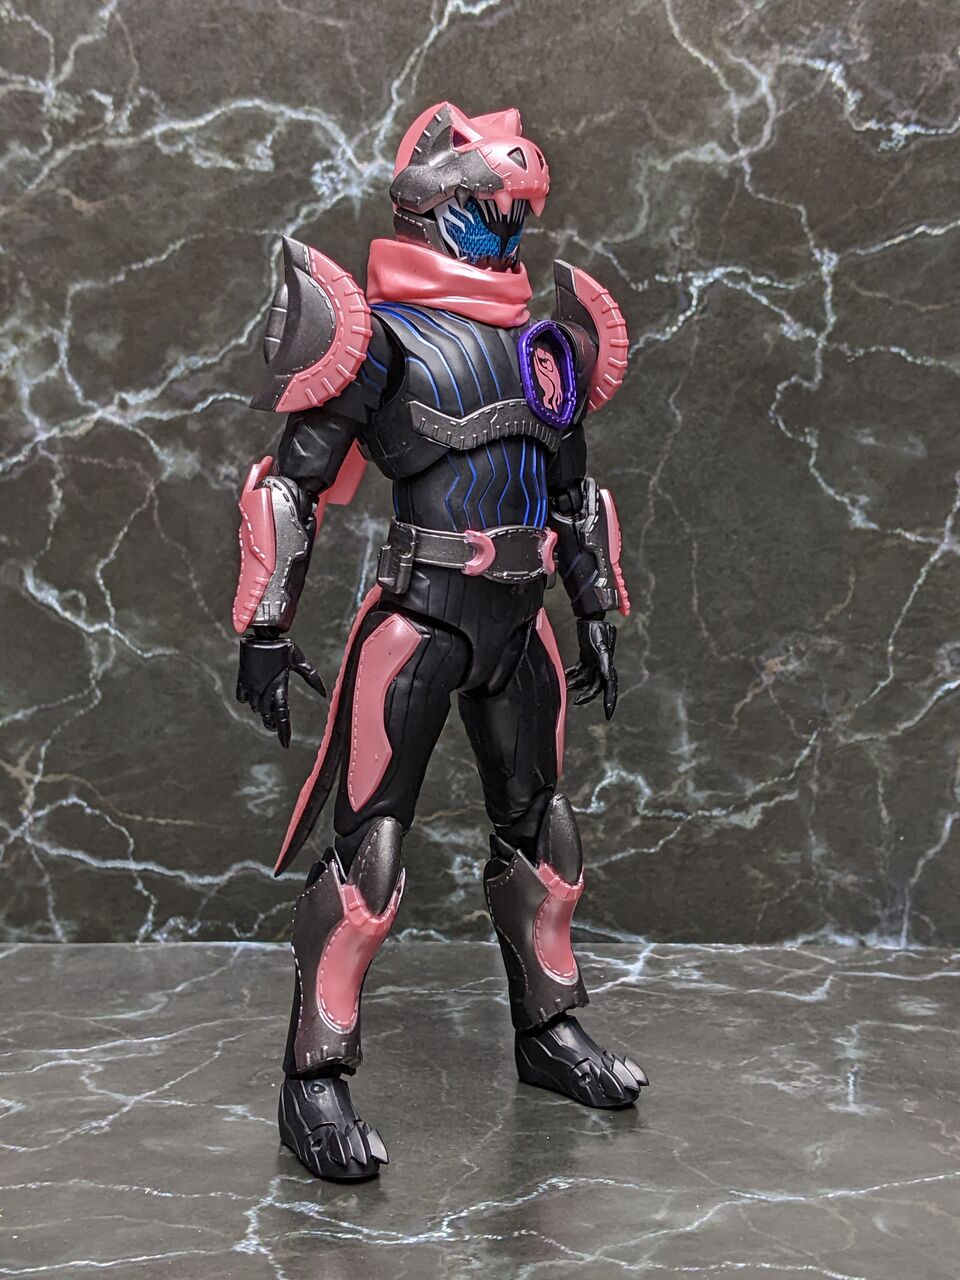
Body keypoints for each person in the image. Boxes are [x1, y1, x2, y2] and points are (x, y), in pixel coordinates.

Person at [233, 102, 647, 1182]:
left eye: (514, 214)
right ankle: (313, 1079)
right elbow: (292, 483)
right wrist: (265, 625)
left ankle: (548, 1028)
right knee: (368, 854)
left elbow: (572, 491)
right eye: (488, 210)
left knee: (546, 841)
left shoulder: (542, 346)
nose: (507, 229)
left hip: (519, 621)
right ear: (433, 206)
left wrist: (595, 608)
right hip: (418, 620)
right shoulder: (378, 338)